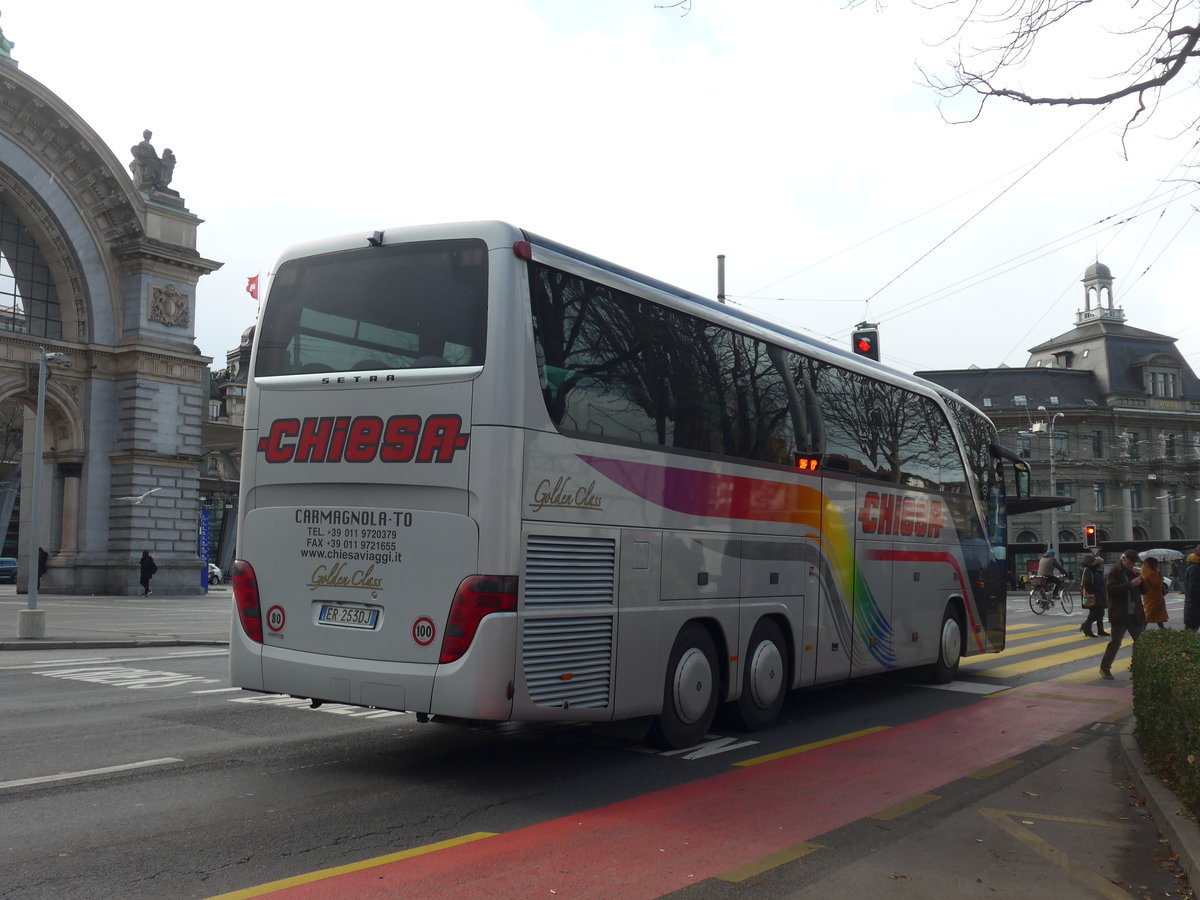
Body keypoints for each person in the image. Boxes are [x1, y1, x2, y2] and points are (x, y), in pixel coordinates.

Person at [1099, 549, 1147, 679]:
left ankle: (1139, 670)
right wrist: (1130, 584)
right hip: (1120, 614)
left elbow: (1144, 591)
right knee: (1115, 643)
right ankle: (1105, 668)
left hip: (1135, 614)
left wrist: (1141, 578)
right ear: (1124, 559)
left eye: (1134, 562)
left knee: (1141, 643)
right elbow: (1111, 590)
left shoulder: (1133, 572)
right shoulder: (1114, 571)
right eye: (1131, 562)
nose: (1132, 564)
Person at [1079, 551, 1109, 638]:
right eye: (1101, 563)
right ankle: (1086, 627)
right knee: (1094, 614)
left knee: (1101, 613)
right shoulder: (1090, 570)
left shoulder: (1098, 571)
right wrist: (1094, 593)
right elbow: (1087, 583)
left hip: (1100, 594)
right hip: (1094, 595)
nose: (1102, 565)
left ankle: (1100, 630)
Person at [1140, 556, 1168, 629]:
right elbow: (1156, 583)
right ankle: (1142, 629)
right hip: (1154, 596)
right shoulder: (1152, 573)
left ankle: (1161, 627)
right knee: (1151, 612)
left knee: (1156, 611)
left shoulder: (1145, 572)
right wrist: (1160, 576)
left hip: (1149, 595)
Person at [1184, 545, 1200, 631]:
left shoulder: (1195, 566)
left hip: (1194, 606)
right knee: (1190, 631)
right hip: (1194, 606)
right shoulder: (1195, 567)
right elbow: (1194, 589)